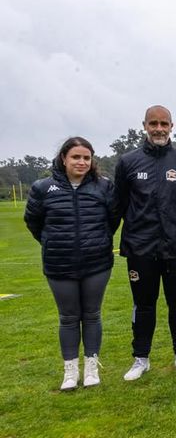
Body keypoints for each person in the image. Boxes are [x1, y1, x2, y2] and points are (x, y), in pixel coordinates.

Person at [114, 105, 176, 381]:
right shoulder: (128, 162)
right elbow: (119, 203)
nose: (159, 129)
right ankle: (141, 358)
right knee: (143, 305)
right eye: (153, 123)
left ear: (172, 126)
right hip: (140, 248)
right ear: (144, 125)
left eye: (164, 124)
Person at [25, 137, 119, 390]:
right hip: (59, 264)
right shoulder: (43, 188)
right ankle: (70, 371)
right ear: (63, 158)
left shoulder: (103, 187)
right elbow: (34, 222)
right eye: (76, 157)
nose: (81, 162)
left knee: (92, 314)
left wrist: (96, 242)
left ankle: (91, 368)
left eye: (86, 158)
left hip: (96, 263)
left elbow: (112, 220)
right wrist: (53, 243)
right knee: (68, 317)